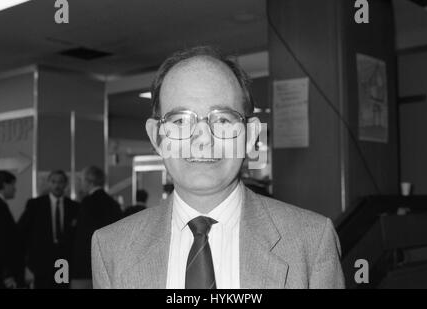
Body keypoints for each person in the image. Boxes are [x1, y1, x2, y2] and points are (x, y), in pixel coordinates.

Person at [91, 46, 344, 289]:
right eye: (180, 120)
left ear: (250, 134)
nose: (203, 139)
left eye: (222, 119)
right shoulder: (111, 246)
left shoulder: (311, 241)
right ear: (156, 136)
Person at [18, 170, 79, 289]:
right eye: (53, 182)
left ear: (66, 184)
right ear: (48, 183)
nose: (57, 185)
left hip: (63, 260)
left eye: (60, 182)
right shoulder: (35, 205)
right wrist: (26, 262)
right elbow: (22, 232)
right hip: (40, 260)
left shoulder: (74, 207)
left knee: (62, 286)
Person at [72, 166, 122, 289]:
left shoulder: (87, 203)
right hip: (110, 262)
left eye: (83, 180)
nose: (81, 184)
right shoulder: (113, 204)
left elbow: (82, 236)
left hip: (87, 265)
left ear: (90, 182)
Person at [0, 171, 21, 289]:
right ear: (4, 184)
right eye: (13, 184)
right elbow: (0, 243)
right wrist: (7, 273)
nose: (15, 189)